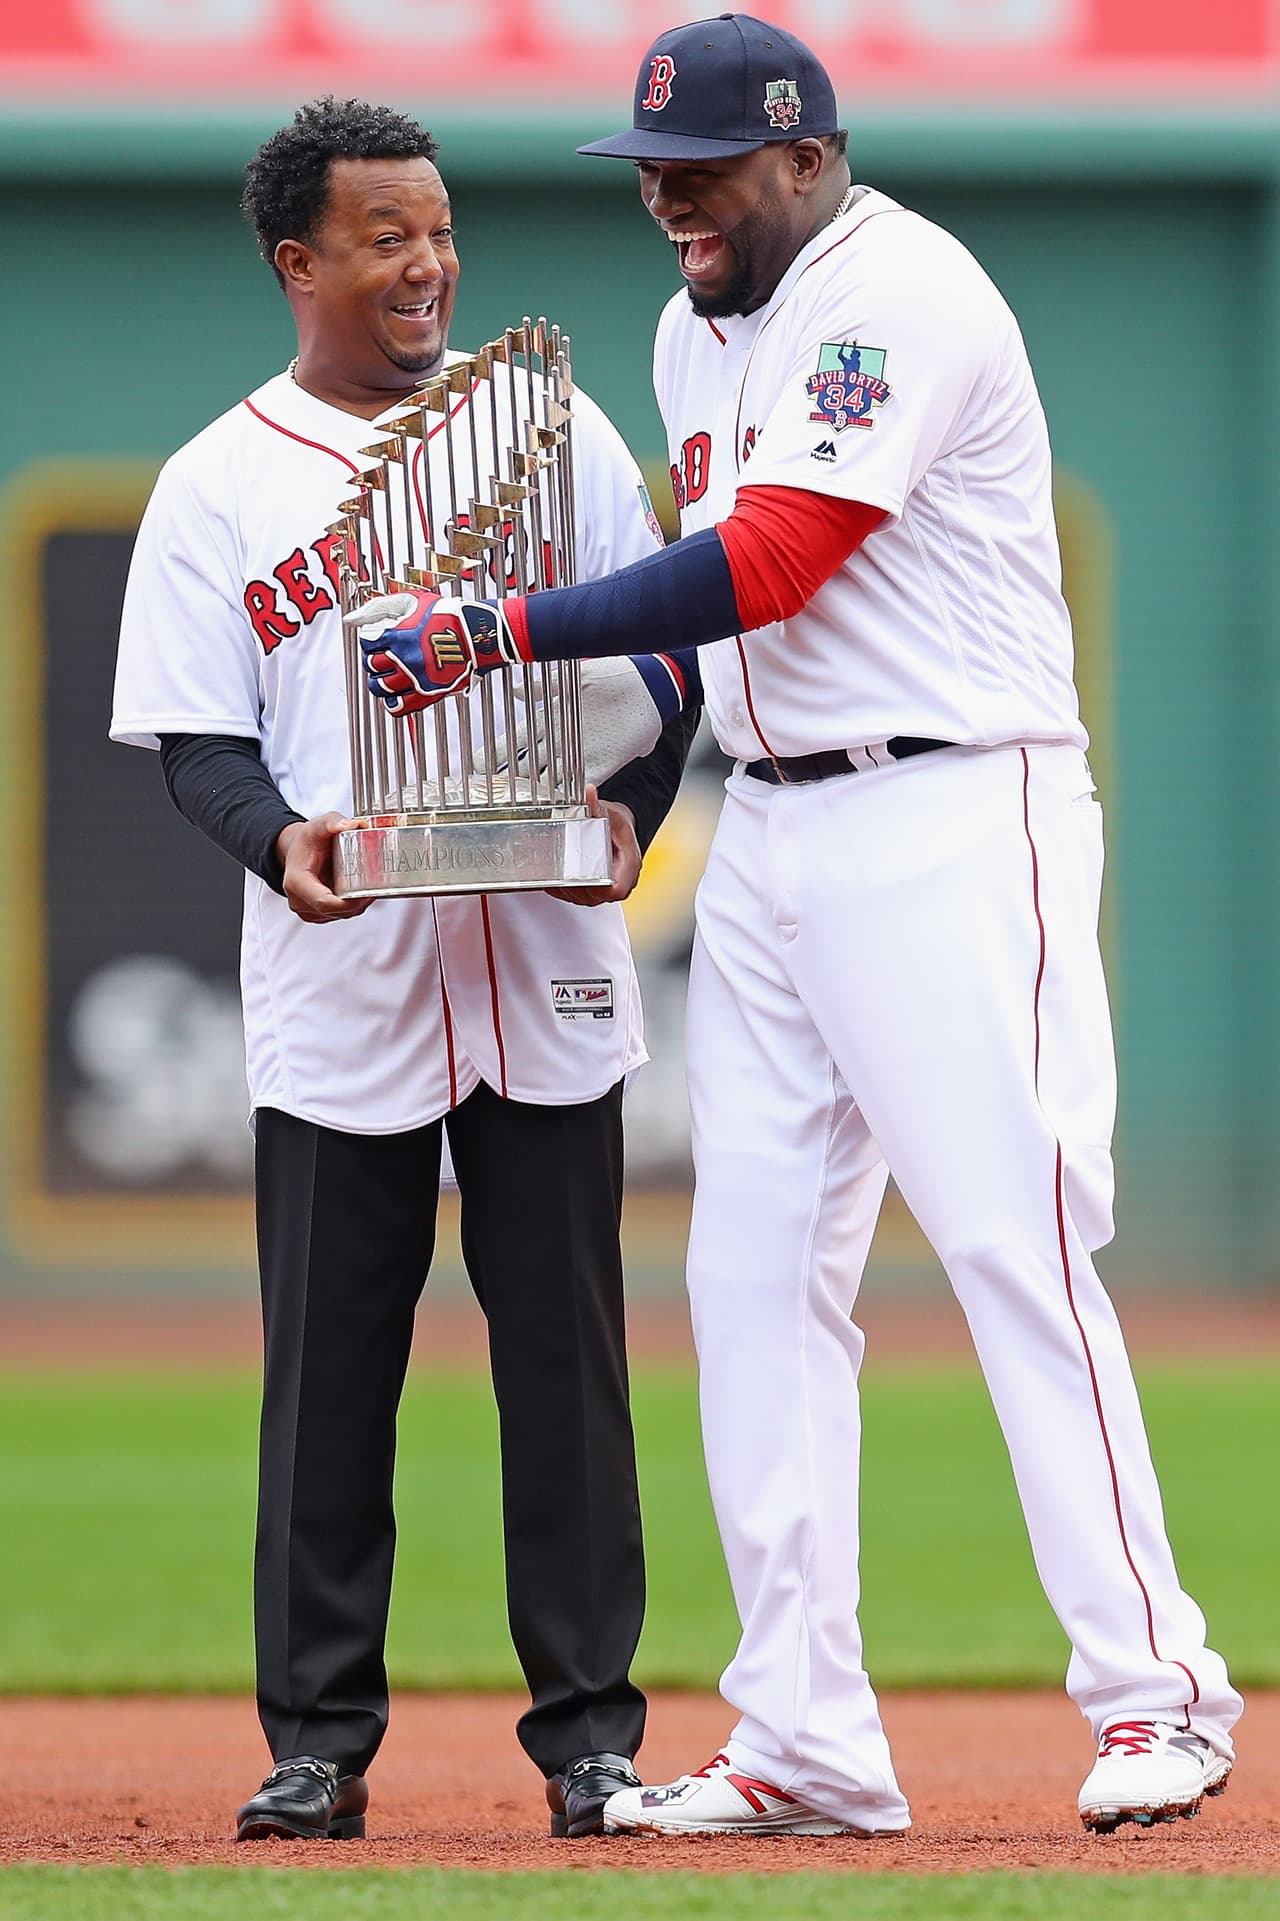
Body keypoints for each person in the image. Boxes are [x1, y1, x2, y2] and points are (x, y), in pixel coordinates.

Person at [349, 16, 1242, 1840]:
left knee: (1013, 1240)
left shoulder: (896, 291)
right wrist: (640, 790)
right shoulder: (694, 329)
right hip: (768, 821)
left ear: (808, 159)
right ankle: (804, 1735)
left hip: (948, 801)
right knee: (750, 1276)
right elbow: (721, 626)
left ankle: (1159, 1689)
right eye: (649, 173)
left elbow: (772, 562)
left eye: (704, 172)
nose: (670, 200)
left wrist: (500, 632)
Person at [110, 96, 701, 1844]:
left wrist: (631, 810)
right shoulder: (219, 479)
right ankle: (317, 1741)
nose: (429, 261)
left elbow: (668, 659)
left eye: (439, 229)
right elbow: (198, 740)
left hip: (541, 956)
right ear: (300, 262)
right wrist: (276, 841)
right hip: (344, 970)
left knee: (568, 1375)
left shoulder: (554, 428)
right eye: (387, 236)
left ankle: (591, 1740)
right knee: (329, 1377)